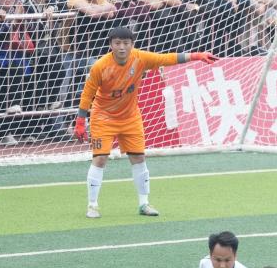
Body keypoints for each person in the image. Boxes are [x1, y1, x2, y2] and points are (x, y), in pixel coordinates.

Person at [74, 26, 217, 218]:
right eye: (117, 43)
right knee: (100, 158)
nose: (122, 47)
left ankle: (144, 203)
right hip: (103, 117)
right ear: (110, 45)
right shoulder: (100, 66)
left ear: (132, 44)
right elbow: (87, 94)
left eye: (126, 43)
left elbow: (167, 58)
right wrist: (80, 121)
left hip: (130, 117)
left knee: (139, 158)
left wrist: (196, 56)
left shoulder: (140, 58)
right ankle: (92, 205)